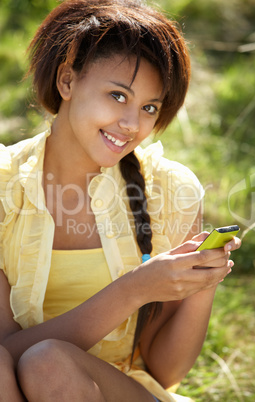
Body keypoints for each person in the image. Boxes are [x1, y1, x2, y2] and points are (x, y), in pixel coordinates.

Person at [0, 0, 241, 401]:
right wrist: (134, 289)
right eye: (117, 96)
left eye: (149, 107)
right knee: (37, 362)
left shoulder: (170, 190)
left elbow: (163, 372)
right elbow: (5, 354)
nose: (132, 125)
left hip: (122, 391)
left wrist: (202, 284)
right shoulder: (5, 185)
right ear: (67, 81)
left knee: (49, 363)